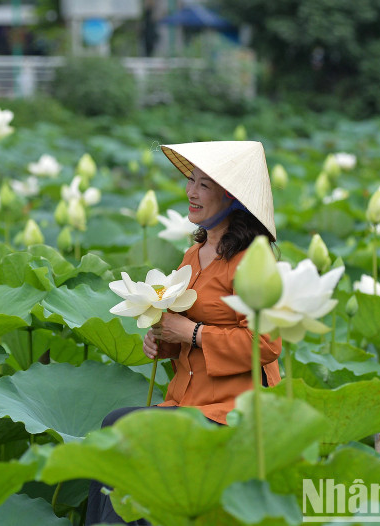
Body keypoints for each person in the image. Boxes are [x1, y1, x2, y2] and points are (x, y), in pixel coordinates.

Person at [86, 141, 283, 525]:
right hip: (187, 401)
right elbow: (182, 332)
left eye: (204, 185)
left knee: (134, 431)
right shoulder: (193, 255)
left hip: (232, 410)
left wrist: (191, 333)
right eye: (191, 181)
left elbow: (265, 345)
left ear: (232, 198)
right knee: (112, 425)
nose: (190, 192)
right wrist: (165, 343)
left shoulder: (252, 261)